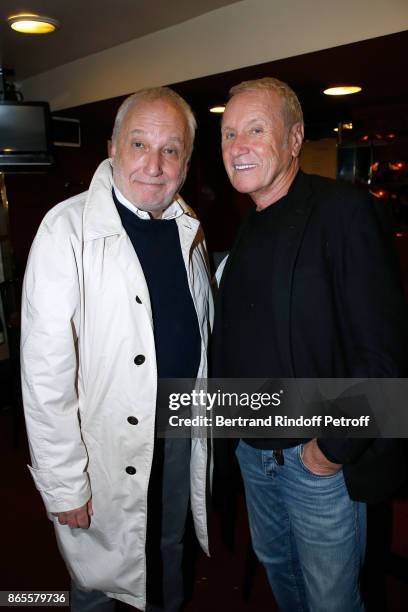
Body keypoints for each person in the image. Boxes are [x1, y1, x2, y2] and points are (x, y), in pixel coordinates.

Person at [211, 77, 408, 612]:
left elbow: (385, 356)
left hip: (314, 459)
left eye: (256, 129)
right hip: (255, 455)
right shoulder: (246, 228)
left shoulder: (345, 212)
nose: (238, 146)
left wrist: (330, 450)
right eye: (229, 133)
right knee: (284, 582)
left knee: (331, 600)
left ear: (295, 139)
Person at [21, 87, 213, 612]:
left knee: (167, 548)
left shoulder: (187, 225)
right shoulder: (67, 227)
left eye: (171, 149)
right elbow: (44, 376)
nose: (154, 165)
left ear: (186, 160)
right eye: (139, 144)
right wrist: (64, 484)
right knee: (96, 574)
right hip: (101, 441)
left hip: (176, 427)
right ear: (112, 148)